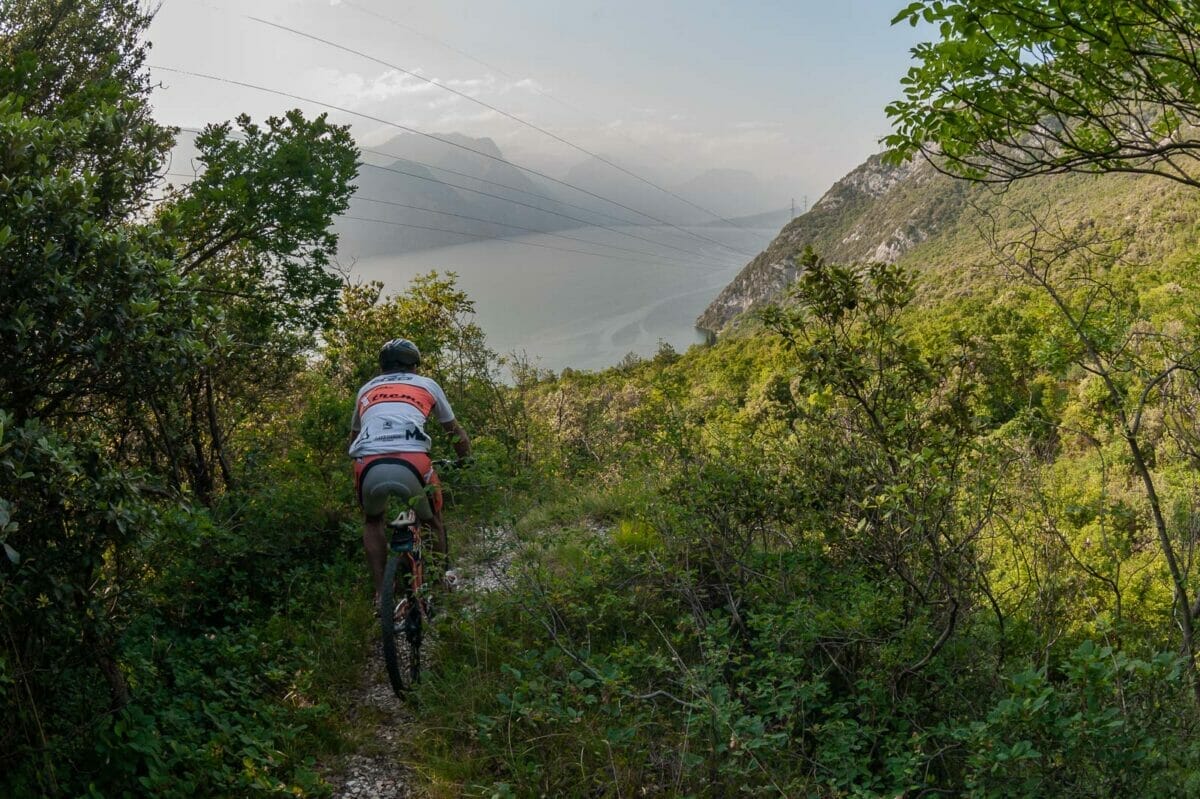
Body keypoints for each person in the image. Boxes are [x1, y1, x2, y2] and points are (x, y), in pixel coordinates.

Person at [349, 338, 471, 597]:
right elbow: (454, 432)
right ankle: (439, 583)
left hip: (368, 461)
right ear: (414, 365)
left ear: (382, 366)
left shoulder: (366, 389)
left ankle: (382, 592)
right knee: (432, 520)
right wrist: (463, 459)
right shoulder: (426, 385)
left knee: (373, 521)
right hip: (412, 461)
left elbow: (353, 438)